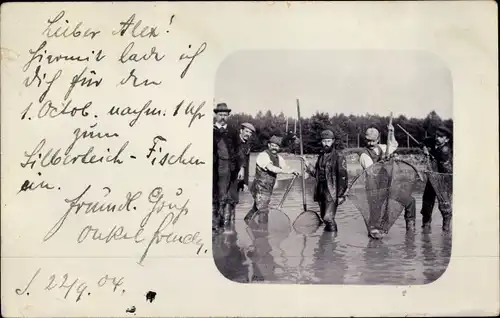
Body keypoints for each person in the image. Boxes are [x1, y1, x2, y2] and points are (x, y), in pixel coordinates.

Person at [359, 123, 417, 237]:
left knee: (410, 201)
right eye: (368, 140)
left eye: (373, 141)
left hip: (390, 187)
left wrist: (392, 132)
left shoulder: (383, 148)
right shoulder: (364, 155)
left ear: (378, 139)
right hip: (375, 191)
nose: (370, 143)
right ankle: (374, 243)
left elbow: (394, 145)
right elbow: (372, 172)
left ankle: (410, 232)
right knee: (376, 223)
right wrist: (383, 161)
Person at [244, 135, 299, 224]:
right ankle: (263, 231)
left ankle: (248, 221)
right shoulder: (263, 155)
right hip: (259, 187)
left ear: (279, 148)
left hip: (268, 188)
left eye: (276, 146)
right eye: (272, 145)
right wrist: (287, 172)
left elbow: (285, 167)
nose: (274, 148)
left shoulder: (279, 158)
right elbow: (271, 168)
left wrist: (293, 171)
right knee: (263, 210)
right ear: (269, 145)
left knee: (257, 208)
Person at [301, 129, 348, 232]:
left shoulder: (339, 156)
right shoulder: (321, 156)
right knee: (324, 217)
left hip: (332, 192)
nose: (326, 144)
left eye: (328, 141)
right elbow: (316, 174)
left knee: (328, 217)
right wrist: (307, 164)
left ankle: (332, 241)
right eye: (324, 141)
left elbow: (343, 177)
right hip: (321, 190)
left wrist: (341, 195)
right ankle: (327, 240)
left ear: (333, 141)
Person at [223, 122, 256, 233]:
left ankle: (231, 226)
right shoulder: (233, 142)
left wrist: (245, 182)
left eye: (250, 133)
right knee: (228, 200)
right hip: (228, 176)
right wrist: (241, 167)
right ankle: (226, 227)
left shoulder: (247, 145)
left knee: (234, 200)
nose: (248, 134)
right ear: (241, 131)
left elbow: (246, 162)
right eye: (246, 131)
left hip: (237, 178)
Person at [420, 125, 453, 232]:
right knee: (427, 203)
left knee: (445, 206)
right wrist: (424, 148)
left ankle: (446, 229)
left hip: (443, 180)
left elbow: (447, 170)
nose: (437, 138)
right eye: (437, 135)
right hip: (432, 177)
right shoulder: (432, 141)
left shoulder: (445, 151)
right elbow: (424, 141)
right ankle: (426, 227)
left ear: (446, 139)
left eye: (440, 136)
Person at [212, 103, 239, 232]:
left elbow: (237, 150)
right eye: (220, 114)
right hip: (213, 167)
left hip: (228, 167)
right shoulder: (209, 130)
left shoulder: (233, 130)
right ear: (216, 115)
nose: (222, 117)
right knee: (214, 194)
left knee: (224, 194)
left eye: (225, 115)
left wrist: (240, 168)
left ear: (228, 116)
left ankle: (221, 224)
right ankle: (214, 224)